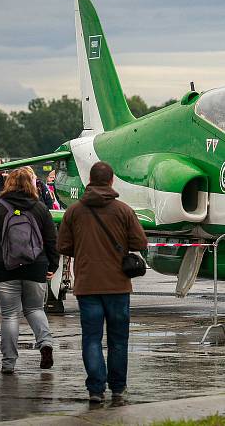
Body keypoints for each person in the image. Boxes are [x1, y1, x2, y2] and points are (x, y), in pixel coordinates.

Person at [57, 161, 148, 403]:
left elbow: (63, 246)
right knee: (118, 340)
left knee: (91, 339)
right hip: (118, 285)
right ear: (111, 180)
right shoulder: (123, 210)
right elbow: (140, 243)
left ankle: (96, 388)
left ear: (90, 179)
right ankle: (118, 387)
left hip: (87, 285)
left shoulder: (74, 211)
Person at [0, 167, 58, 374]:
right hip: (36, 267)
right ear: (31, 184)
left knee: (10, 315)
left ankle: (9, 362)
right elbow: (51, 240)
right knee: (35, 309)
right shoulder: (40, 208)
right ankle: (45, 343)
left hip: (5, 267)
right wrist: (53, 265)